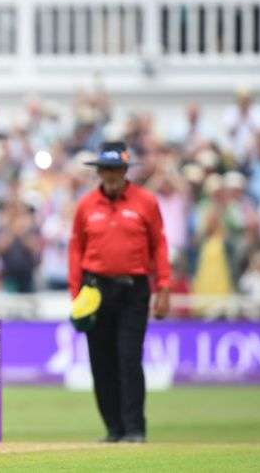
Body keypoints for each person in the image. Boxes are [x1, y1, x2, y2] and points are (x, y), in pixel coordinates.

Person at [67, 141, 171, 444]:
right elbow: (76, 250)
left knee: (128, 358)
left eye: (116, 169)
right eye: (106, 169)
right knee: (101, 362)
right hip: (95, 291)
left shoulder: (146, 202)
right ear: (99, 171)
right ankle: (113, 428)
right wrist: (76, 294)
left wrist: (163, 286)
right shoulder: (86, 205)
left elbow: (159, 245)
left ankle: (134, 429)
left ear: (125, 170)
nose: (111, 175)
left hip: (133, 290)